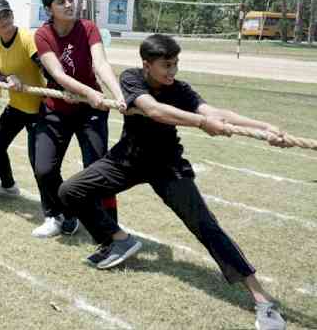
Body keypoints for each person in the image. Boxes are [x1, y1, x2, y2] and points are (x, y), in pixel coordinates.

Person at [57, 34, 287, 330]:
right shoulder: (132, 79)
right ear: (147, 65)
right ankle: (118, 240)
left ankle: (263, 301)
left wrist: (265, 127)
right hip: (126, 160)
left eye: (176, 64)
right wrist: (202, 123)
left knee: (206, 226)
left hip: (167, 167)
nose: (172, 71)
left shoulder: (180, 89)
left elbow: (213, 112)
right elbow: (153, 109)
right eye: (166, 65)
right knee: (70, 191)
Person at [31, 0, 125, 240]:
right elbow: (58, 75)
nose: (69, 4)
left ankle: (109, 231)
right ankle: (62, 215)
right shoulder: (42, 35)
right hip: (56, 110)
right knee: (44, 169)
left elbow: (101, 64)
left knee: (98, 168)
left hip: (90, 111)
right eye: (61, 1)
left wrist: (117, 95)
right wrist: (90, 93)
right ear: (49, 8)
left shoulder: (88, 28)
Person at [0, 0, 45, 197]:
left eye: (7, 14)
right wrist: (8, 77)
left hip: (40, 110)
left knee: (39, 164)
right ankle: (8, 186)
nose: (4, 20)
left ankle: (58, 213)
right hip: (17, 107)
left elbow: (46, 69)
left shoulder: (27, 38)